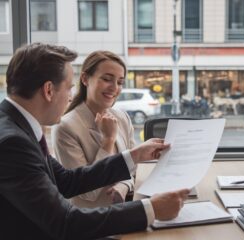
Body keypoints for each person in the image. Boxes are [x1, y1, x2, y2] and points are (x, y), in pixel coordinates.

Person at [0, 42, 190, 240]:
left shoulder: (17, 126)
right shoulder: (13, 144)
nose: (70, 97)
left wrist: (135, 155)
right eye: (68, 88)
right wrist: (151, 209)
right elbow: (66, 222)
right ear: (49, 90)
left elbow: (66, 180)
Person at [52, 51, 136, 208]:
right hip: (90, 221)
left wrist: (124, 186)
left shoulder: (122, 117)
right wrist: (108, 141)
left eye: (120, 82)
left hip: (125, 212)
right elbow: (86, 191)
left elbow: (133, 165)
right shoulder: (65, 127)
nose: (114, 87)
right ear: (85, 79)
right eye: (106, 79)